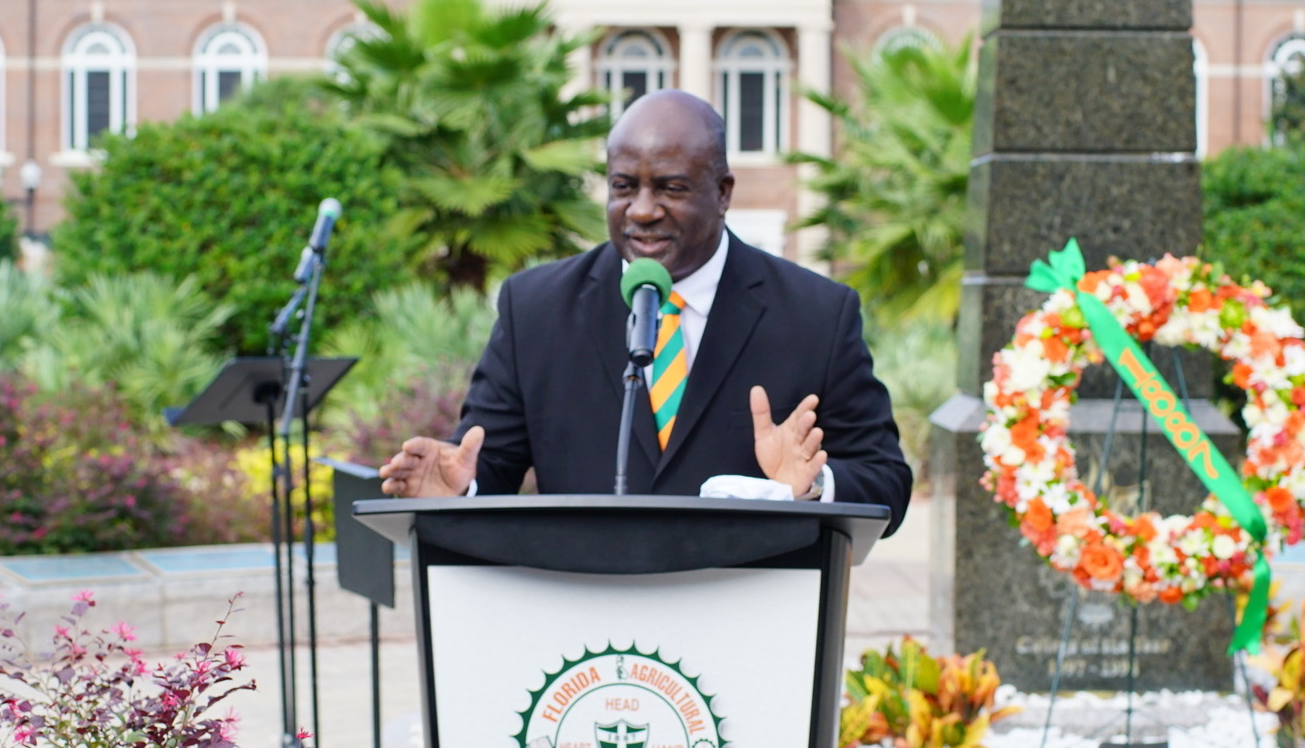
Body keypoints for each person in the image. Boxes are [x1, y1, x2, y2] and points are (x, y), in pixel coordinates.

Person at [379, 89, 913, 533]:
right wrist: (457, 490)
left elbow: (886, 479)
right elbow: (488, 465)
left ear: (723, 192)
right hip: (584, 623)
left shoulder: (817, 314)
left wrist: (812, 485)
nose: (642, 210)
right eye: (623, 187)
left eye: (671, 187)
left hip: (748, 616)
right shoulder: (535, 310)